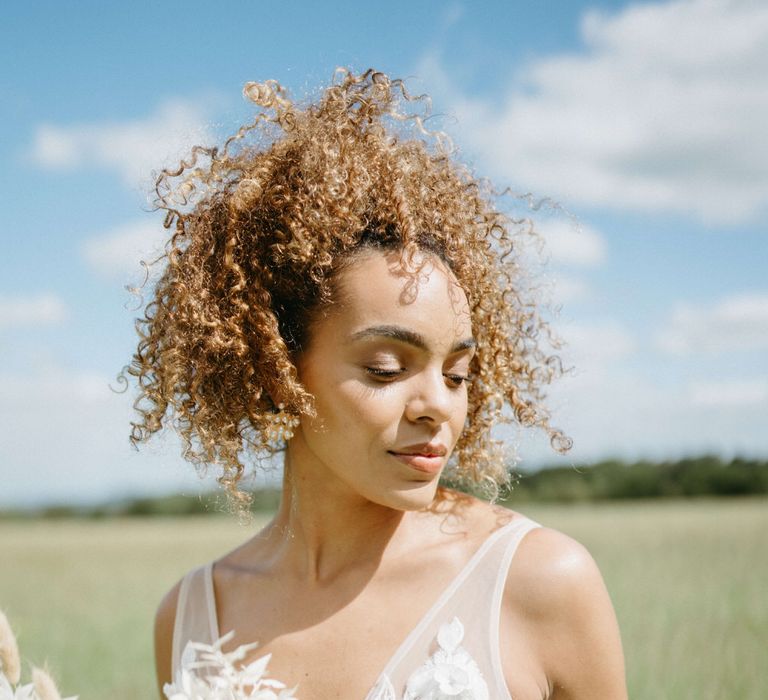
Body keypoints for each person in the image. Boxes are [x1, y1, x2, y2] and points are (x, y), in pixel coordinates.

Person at [134, 69, 627, 699]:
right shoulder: (190, 619)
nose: (437, 408)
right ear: (275, 371)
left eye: (456, 374)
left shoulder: (541, 582)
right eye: (386, 370)